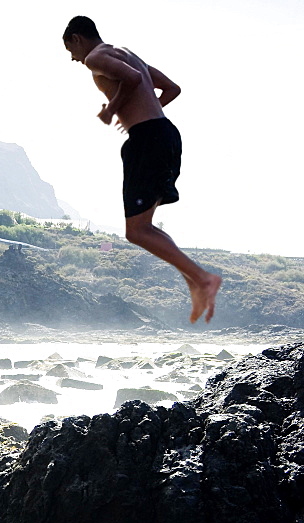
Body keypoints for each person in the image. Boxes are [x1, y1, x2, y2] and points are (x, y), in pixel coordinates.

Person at [62, 16, 222, 324]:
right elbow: (171, 89)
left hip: (148, 140)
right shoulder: (125, 52)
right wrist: (139, 115)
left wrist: (112, 109)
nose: (73, 58)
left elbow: (132, 79)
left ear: (78, 38)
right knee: (144, 227)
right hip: (164, 134)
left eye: (70, 48)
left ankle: (202, 278)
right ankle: (194, 278)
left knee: (136, 231)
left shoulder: (96, 57)